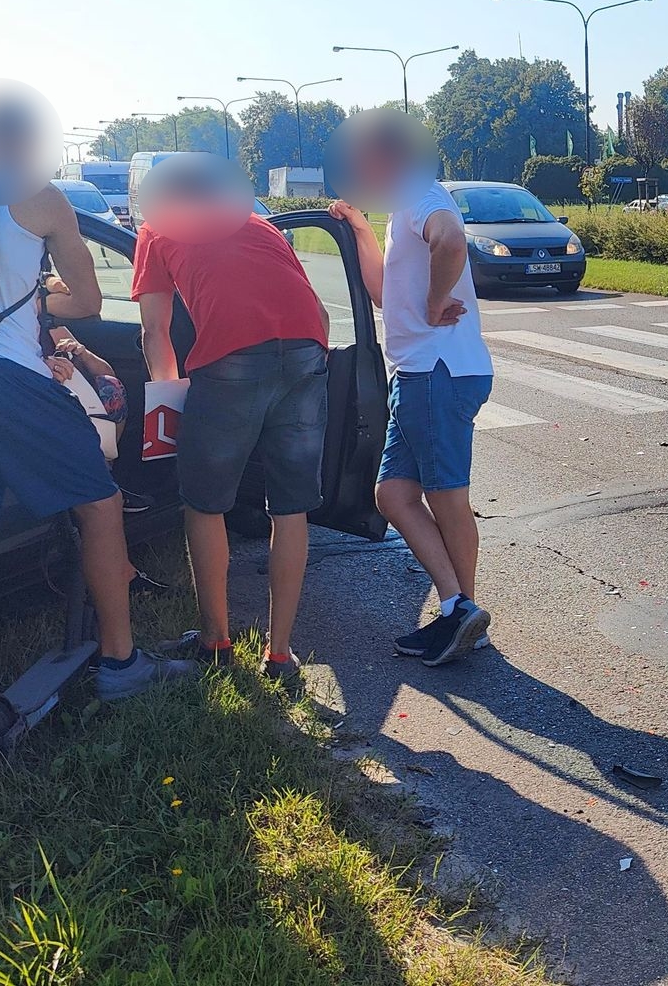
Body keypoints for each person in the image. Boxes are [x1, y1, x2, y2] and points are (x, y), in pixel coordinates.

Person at [0, 131, 195, 761]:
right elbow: (86, 301)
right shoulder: (39, 198)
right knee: (101, 503)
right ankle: (120, 662)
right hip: (4, 378)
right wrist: (38, 292)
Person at [133, 155, 328, 683]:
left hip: (232, 362)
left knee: (204, 504)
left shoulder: (155, 231)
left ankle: (216, 642)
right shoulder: (258, 223)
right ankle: (281, 655)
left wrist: (167, 404)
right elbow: (320, 311)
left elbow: (156, 331)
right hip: (308, 353)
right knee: (290, 510)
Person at [328, 128, 489, 667]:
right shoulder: (403, 207)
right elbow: (382, 293)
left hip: (435, 372)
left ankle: (462, 614)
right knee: (393, 495)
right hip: (418, 374)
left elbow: (452, 240)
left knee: (447, 498)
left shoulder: (423, 196)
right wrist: (358, 230)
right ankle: (458, 609)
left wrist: (436, 299)